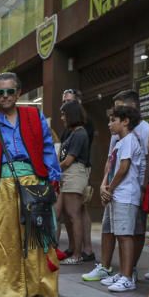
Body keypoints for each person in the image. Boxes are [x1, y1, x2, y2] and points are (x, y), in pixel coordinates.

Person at [0, 72, 61, 297]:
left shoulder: (35, 116)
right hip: (0, 188)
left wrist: (53, 180)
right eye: (0, 92)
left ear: (19, 93)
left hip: (34, 184)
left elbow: (46, 148)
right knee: (3, 244)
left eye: (10, 91)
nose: (6, 96)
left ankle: (36, 296)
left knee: (37, 242)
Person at [99, 105, 145, 292]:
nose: (109, 124)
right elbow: (110, 168)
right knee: (119, 234)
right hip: (116, 194)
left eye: (113, 120)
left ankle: (127, 277)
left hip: (125, 194)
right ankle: (122, 273)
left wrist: (110, 188)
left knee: (125, 235)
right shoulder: (119, 142)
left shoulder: (129, 140)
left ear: (125, 121)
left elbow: (124, 167)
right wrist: (104, 186)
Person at [56, 101, 95, 265]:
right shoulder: (74, 133)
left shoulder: (80, 133)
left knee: (74, 215)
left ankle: (77, 254)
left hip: (74, 174)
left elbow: (69, 160)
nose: (62, 117)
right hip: (68, 175)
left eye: (64, 114)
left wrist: (53, 168)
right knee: (67, 215)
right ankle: (74, 249)